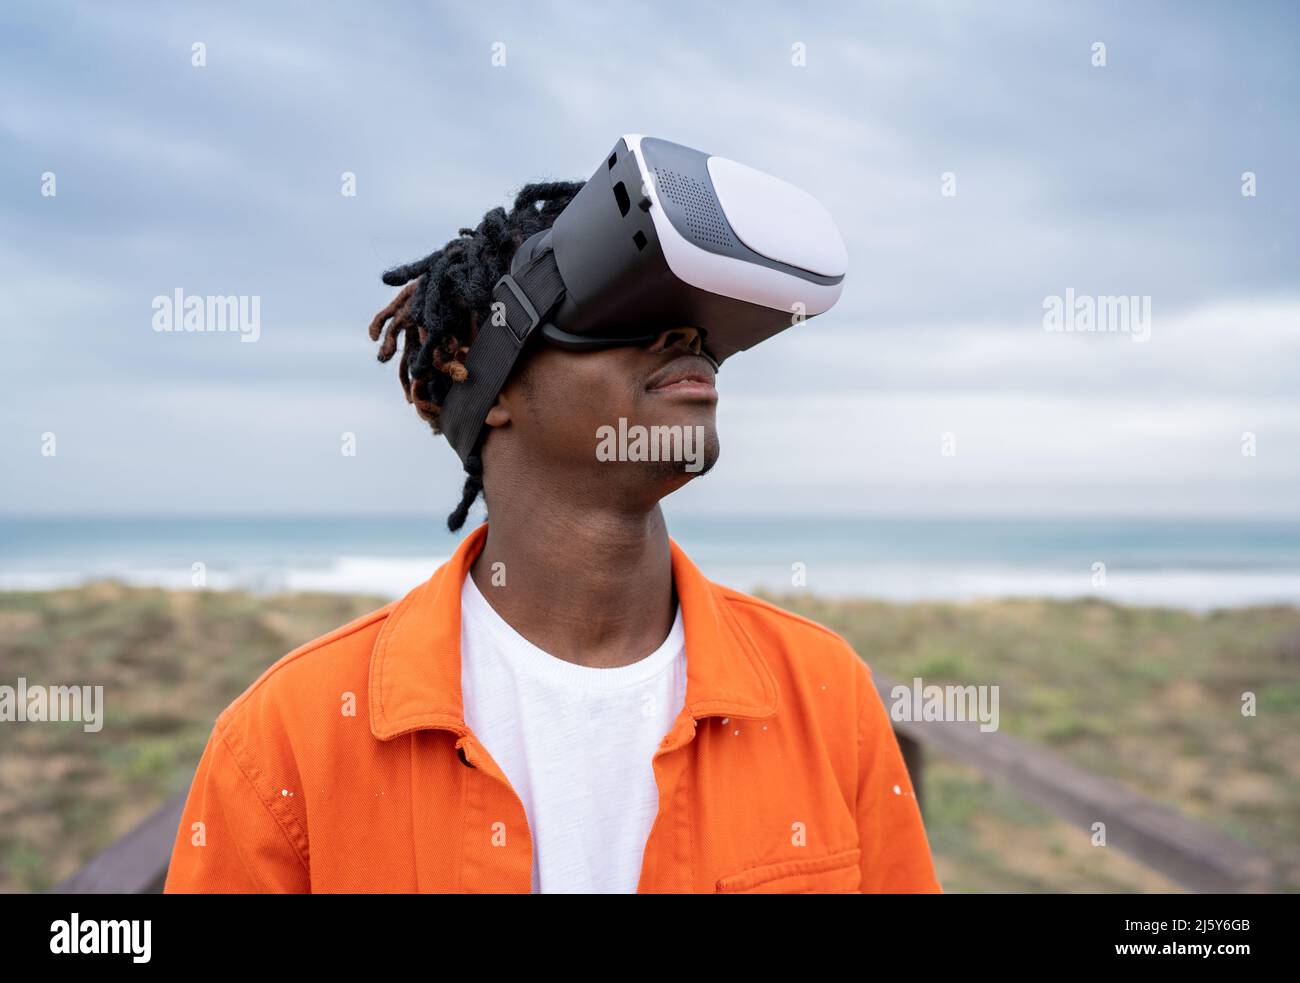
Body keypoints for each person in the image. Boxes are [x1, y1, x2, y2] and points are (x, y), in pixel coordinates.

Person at [163, 180, 942, 894]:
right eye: (624, 296)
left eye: (696, 313)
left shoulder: (825, 693)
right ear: (476, 367)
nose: (686, 332)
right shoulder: (288, 741)